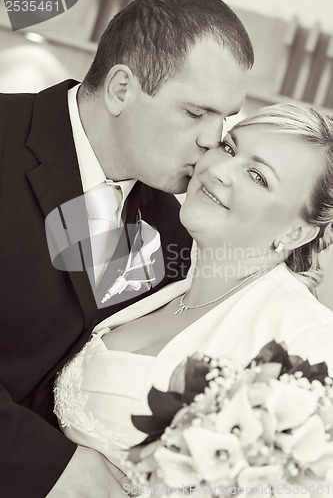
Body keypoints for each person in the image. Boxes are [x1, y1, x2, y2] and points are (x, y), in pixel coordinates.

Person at [0, 0, 254, 496]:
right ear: (121, 88)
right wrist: (48, 466)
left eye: (224, 117)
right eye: (196, 111)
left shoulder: (178, 225)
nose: (212, 139)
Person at [54, 102, 333, 494]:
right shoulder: (162, 269)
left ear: (297, 232)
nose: (218, 170)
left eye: (257, 176)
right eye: (230, 148)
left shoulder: (310, 340)